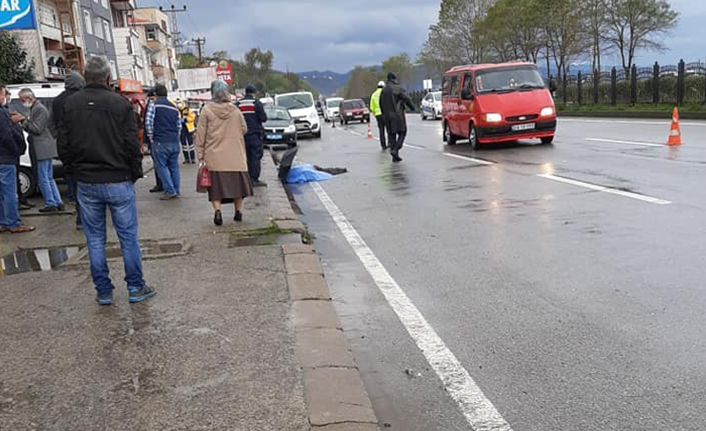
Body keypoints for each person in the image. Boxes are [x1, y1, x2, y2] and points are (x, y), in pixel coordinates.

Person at [59, 56, 154, 306]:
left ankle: (103, 291)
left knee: (94, 238)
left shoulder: (71, 105)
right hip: (117, 178)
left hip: (87, 181)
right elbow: (132, 145)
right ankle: (135, 286)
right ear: (108, 77)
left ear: (85, 76)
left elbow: (64, 144)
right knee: (128, 236)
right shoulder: (120, 104)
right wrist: (134, 173)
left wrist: (73, 171)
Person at [195, 80, 253, 226]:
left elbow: (200, 134)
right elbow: (244, 129)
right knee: (238, 187)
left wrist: (200, 154)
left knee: (216, 189)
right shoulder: (236, 110)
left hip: (214, 157)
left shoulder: (206, 110)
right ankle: (238, 212)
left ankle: (218, 212)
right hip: (236, 156)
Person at [12, 88, 64, 211]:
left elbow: (37, 129)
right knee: (48, 177)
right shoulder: (35, 108)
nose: (21, 102)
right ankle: (57, 201)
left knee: (43, 178)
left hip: (42, 147)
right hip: (44, 147)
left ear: (30, 98)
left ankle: (51, 203)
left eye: (22, 100)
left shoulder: (39, 109)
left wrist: (23, 120)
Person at [0, 86, 35, 234]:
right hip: (6, 157)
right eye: (3, 94)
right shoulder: (2, 114)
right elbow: (7, 135)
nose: (5, 97)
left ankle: (2, 222)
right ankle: (14, 223)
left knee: (2, 193)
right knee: (9, 193)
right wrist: (15, 150)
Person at [53, 72, 85, 229]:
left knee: (76, 185)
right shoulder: (82, 97)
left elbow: (54, 124)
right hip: (84, 146)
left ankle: (80, 219)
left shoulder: (58, 100)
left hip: (67, 148)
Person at [145, 84, 181, 200]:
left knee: (161, 166)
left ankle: (170, 190)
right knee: (174, 167)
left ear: (155, 94)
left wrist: (151, 138)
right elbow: (179, 125)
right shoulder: (174, 107)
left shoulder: (153, 105)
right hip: (174, 141)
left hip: (160, 141)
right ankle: (176, 189)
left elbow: (149, 123)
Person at [380, 72, 415, 163]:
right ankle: (396, 149)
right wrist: (412, 108)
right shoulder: (398, 88)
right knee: (402, 132)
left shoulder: (384, 90)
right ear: (394, 79)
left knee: (391, 135)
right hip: (398, 115)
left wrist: (384, 114)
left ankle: (395, 156)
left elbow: (381, 104)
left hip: (387, 116)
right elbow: (406, 98)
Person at [237, 85, 268, 187]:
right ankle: (254, 179)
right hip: (255, 134)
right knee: (255, 156)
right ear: (253, 93)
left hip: (242, 135)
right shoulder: (256, 103)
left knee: (245, 157)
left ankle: (246, 178)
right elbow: (263, 118)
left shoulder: (238, 104)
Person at [143, 89, 162, 193]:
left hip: (155, 139)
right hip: (165, 139)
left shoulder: (151, 106)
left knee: (158, 163)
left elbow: (148, 124)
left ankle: (161, 184)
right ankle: (167, 185)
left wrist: (149, 139)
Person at [176, 98, 196, 164]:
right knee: (183, 144)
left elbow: (193, 117)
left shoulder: (187, 109)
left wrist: (185, 120)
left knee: (191, 144)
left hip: (189, 128)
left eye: (179, 102)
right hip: (181, 129)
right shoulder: (177, 110)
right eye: (177, 103)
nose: (178, 104)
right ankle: (186, 159)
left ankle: (192, 158)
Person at [370, 81, 387, 150]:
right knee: (388, 129)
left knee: (381, 130)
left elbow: (371, 107)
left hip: (378, 115)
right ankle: (390, 143)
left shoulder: (374, 94)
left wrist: (374, 112)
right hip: (385, 113)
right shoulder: (384, 93)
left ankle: (383, 145)